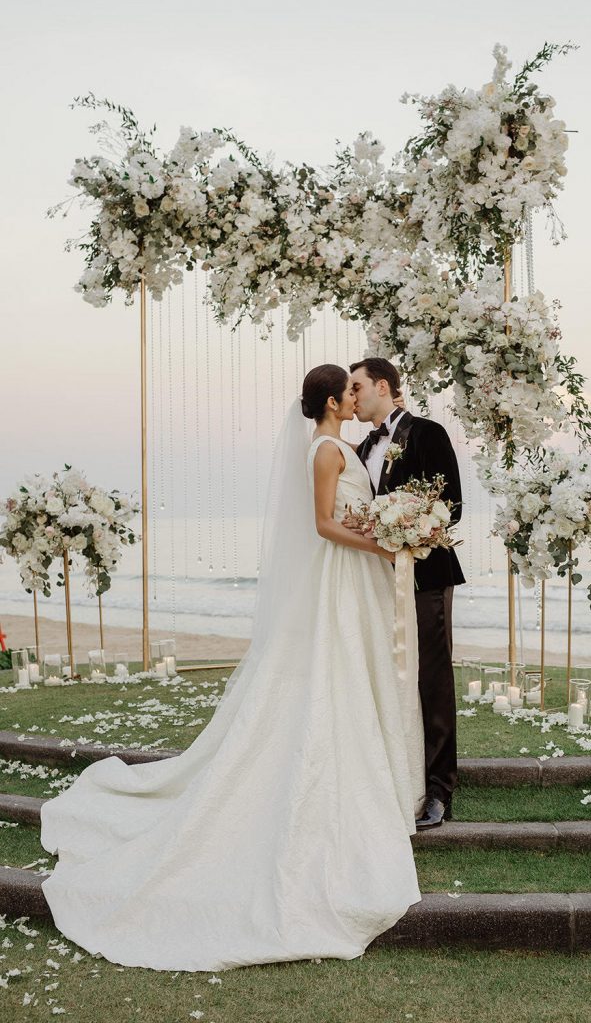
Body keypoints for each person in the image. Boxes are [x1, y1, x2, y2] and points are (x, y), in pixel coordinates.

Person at [39, 364, 423, 972]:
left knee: (358, 673)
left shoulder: (344, 445)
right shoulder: (325, 450)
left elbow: (347, 514)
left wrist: (382, 524)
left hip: (359, 581)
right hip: (343, 579)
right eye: (350, 391)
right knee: (336, 674)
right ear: (332, 400)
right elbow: (323, 526)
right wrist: (382, 542)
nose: (357, 396)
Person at [350, 357, 465, 830]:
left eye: (357, 388)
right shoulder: (360, 449)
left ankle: (439, 790)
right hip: (376, 579)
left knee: (431, 680)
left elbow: (451, 505)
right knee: (389, 680)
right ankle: (398, 777)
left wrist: (408, 527)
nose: (351, 396)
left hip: (424, 576)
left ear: (383, 386)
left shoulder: (427, 433)